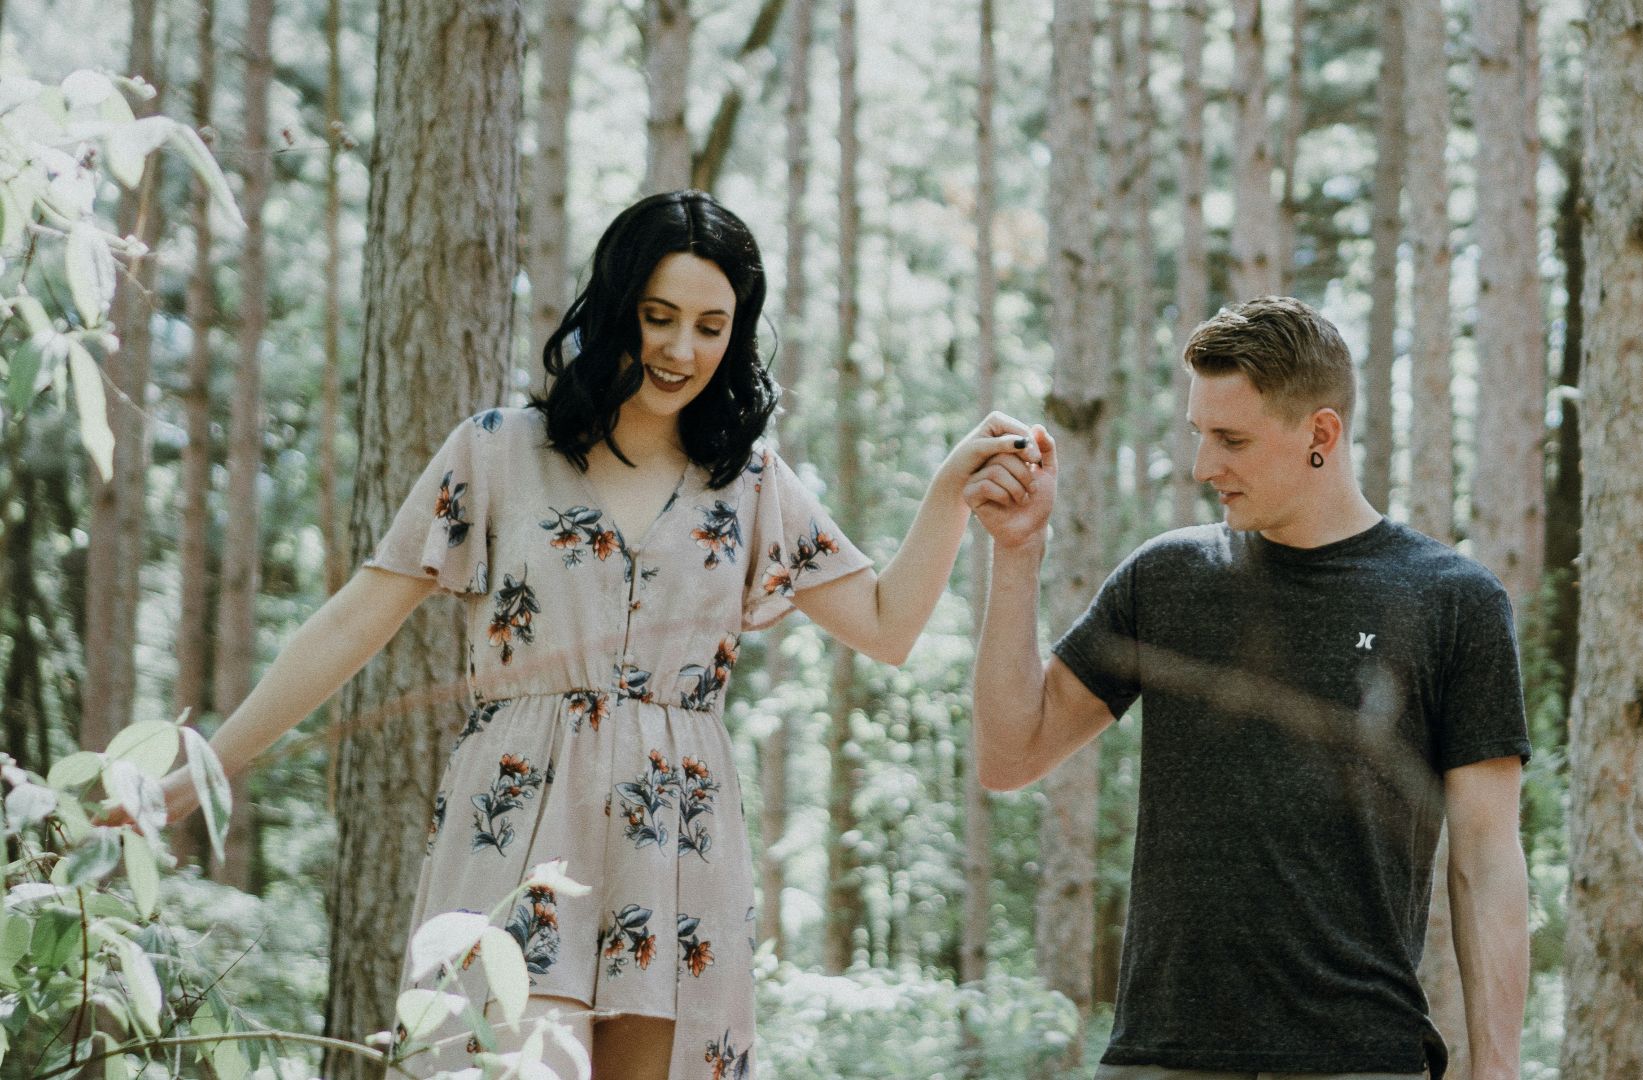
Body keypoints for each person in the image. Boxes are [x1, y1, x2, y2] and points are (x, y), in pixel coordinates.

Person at [141, 190, 1040, 1080]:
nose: (681, 349)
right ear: (615, 308)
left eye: (711, 325)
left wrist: (948, 496)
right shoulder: (497, 452)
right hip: (518, 820)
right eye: (658, 317)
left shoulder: (751, 482)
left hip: (677, 841)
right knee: (500, 1068)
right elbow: (352, 621)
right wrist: (200, 775)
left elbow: (886, 626)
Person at [963, 296, 1530, 1080]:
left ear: (1321, 435)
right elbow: (1009, 755)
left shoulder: (1451, 599)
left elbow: (1487, 855)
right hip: (1161, 1055)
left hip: (1356, 1056)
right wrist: (1018, 554)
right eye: (1200, 434)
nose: (1203, 467)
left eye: (1231, 439)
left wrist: (1496, 1067)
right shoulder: (1167, 578)